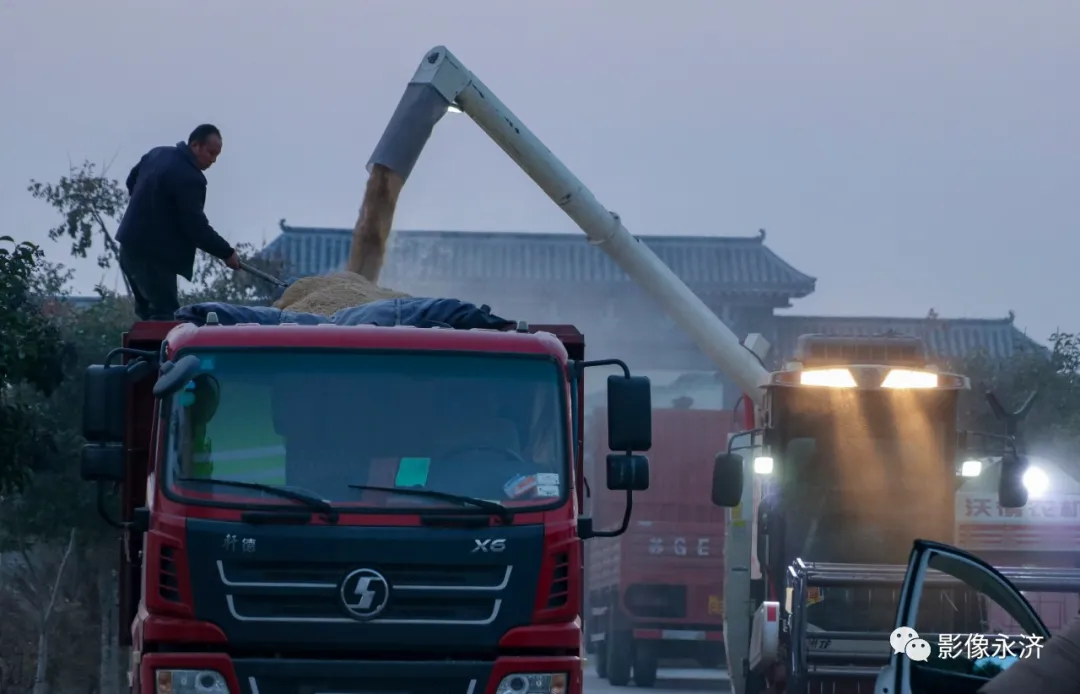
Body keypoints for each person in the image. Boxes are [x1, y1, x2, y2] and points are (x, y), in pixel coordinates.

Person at [116, 124, 241, 320]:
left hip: (129, 248)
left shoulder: (157, 154)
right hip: (154, 257)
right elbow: (196, 227)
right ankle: (157, 351)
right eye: (210, 153)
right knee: (164, 315)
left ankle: (141, 351)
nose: (213, 160)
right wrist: (226, 252)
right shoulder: (190, 178)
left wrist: (150, 208)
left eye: (217, 155)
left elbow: (132, 181)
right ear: (195, 145)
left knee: (147, 314)